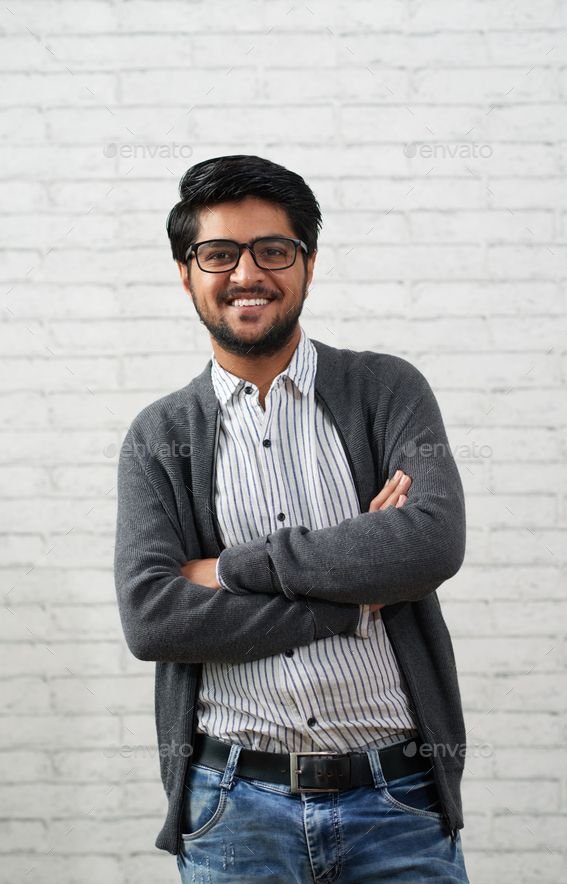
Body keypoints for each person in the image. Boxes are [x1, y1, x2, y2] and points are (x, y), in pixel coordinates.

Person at [114, 154, 470, 882]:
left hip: (396, 801)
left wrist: (231, 570)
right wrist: (349, 601)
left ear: (307, 265)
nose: (248, 273)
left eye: (273, 251)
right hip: (232, 809)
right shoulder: (160, 436)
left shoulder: (386, 390)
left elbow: (430, 540)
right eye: (219, 254)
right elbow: (154, 617)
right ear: (186, 273)